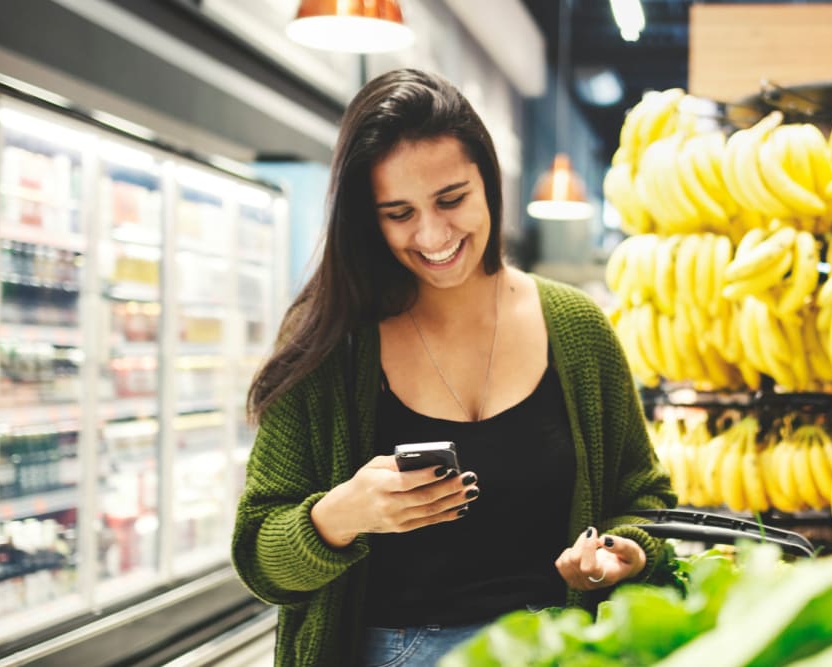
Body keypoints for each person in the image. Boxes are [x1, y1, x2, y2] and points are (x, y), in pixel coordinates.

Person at [231, 68, 676, 667]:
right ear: (368, 219)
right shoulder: (336, 343)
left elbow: (644, 496)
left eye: (451, 199)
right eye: (398, 212)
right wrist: (340, 515)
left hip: (558, 651)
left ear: (488, 183)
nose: (433, 234)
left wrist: (626, 553)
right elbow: (260, 557)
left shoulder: (577, 328)